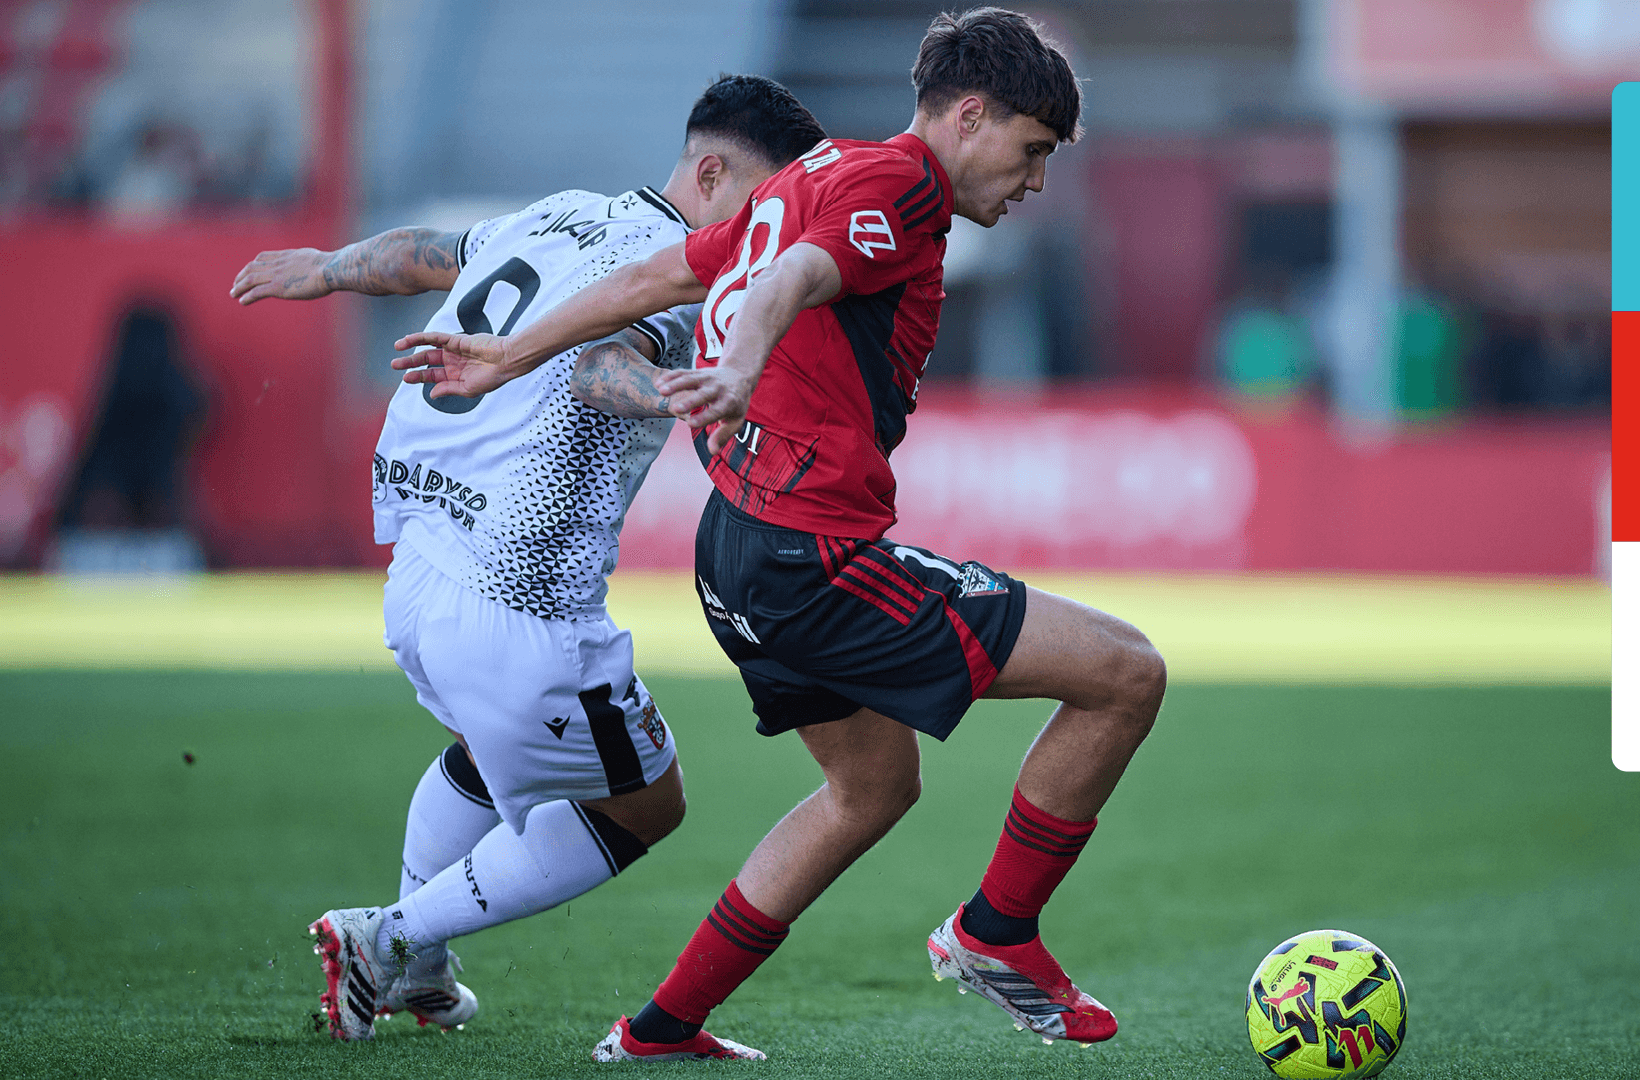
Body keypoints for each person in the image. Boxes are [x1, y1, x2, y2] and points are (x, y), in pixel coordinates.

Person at [395, 7, 1165, 1063]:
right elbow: (789, 278)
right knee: (1126, 673)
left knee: (871, 788)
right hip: (815, 559)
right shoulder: (900, 186)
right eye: (1031, 150)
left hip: (739, 550)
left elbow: (663, 276)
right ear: (970, 116)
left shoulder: (819, 172)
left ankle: (661, 1029)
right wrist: (744, 363)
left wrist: (510, 353)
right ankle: (998, 931)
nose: (1034, 181)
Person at [228, 75, 825, 1045]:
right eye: (769, 204)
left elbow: (425, 254)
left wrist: (330, 268)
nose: (771, 232)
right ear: (712, 173)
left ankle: (419, 970)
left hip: (421, 570)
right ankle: (390, 936)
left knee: (487, 749)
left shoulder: (560, 215)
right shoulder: (679, 272)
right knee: (647, 804)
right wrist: (687, 391)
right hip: (522, 601)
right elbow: (597, 366)